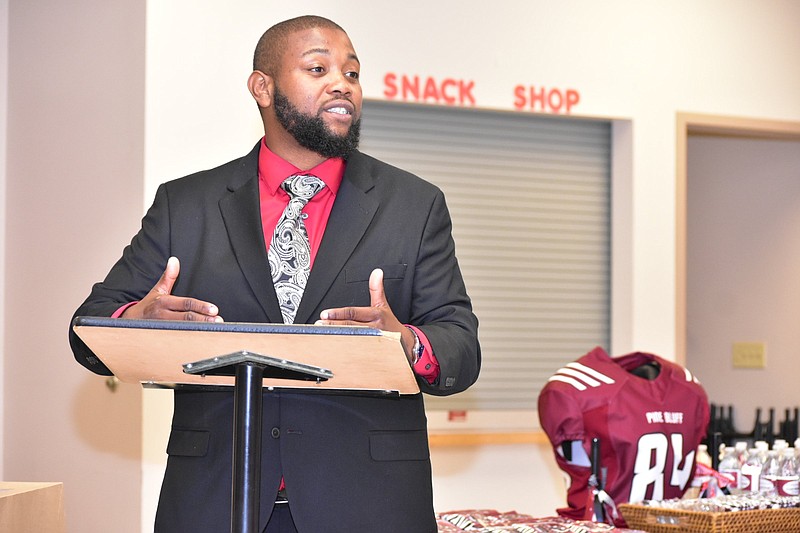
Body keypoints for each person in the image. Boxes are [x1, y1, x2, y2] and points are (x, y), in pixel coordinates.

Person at [69, 15, 480, 533]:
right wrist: (138, 318)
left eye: (352, 73)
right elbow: (87, 328)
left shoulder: (414, 205)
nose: (342, 84)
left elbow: (461, 346)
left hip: (367, 504)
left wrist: (406, 342)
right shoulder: (187, 205)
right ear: (262, 87)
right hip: (217, 501)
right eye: (318, 68)